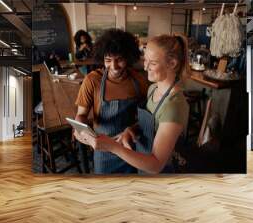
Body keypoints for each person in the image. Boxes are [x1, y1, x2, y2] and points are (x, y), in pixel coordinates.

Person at [79, 34, 190, 174]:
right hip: (133, 156)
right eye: (146, 60)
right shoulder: (152, 89)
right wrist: (131, 130)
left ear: (172, 63)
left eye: (153, 63)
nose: (145, 68)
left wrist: (113, 146)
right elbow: (151, 123)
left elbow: (156, 165)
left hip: (150, 167)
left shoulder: (173, 105)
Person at [73, 29, 149, 174]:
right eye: (108, 60)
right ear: (102, 59)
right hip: (103, 152)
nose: (113, 66)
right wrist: (85, 133)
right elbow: (81, 115)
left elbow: (147, 117)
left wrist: (133, 128)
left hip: (130, 148)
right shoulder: (92, 80)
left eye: (119, 60)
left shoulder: (138, 81)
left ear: (128, 57)